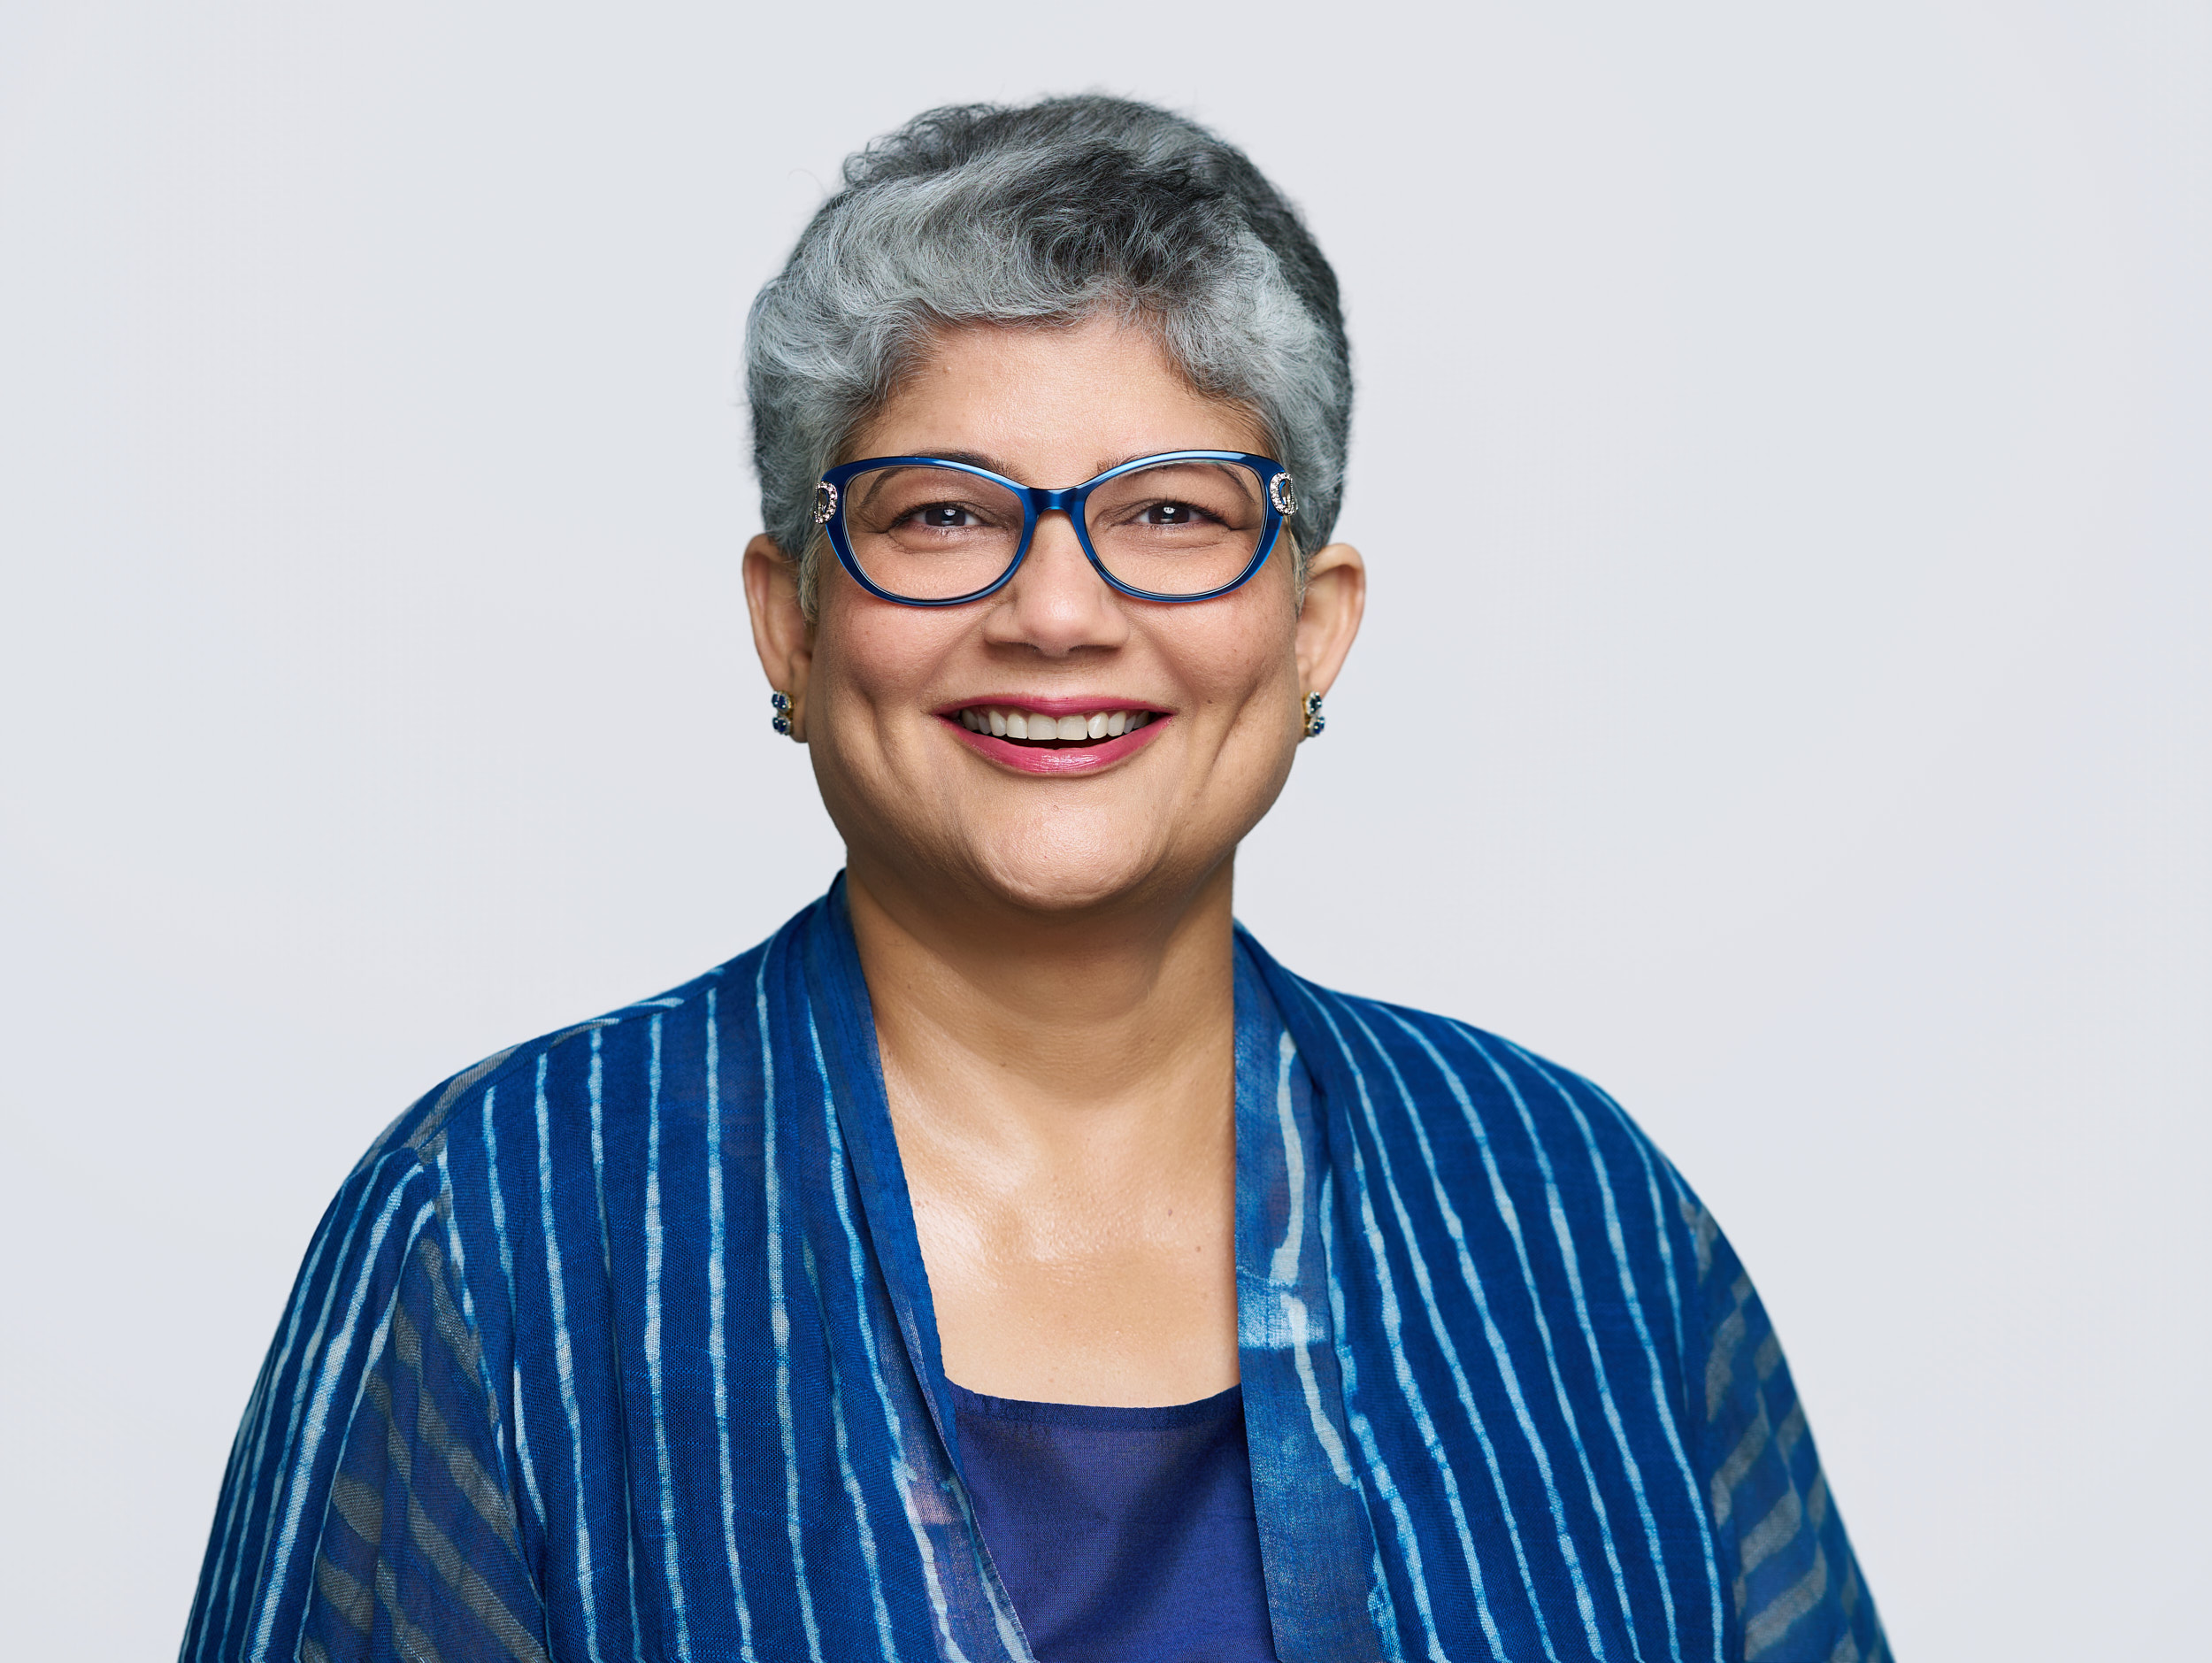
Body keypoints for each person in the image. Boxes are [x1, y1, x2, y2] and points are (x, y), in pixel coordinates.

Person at [182, 96, 1888, 1663]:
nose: (1058, 613)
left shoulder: (1568, 1213)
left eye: (1169, 514)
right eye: (938, 516)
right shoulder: (510, 1226)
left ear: (1315, 625)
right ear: (789, 619)